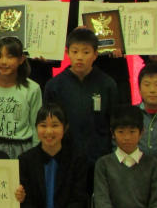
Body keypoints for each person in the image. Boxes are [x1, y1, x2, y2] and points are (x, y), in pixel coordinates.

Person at [43, 28, 118, 179]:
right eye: (75, 51)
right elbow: (48, 124)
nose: (79, 57)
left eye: (86, 52)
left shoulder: (107, 84)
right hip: (65, 158)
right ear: (67, 52)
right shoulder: (54, 86)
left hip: (99, 158)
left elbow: (114, 123)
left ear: (95, 54)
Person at [67, 0, 135, 104]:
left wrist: (124, 48)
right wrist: (76, 36)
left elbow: (133, 37)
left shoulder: (126, 0)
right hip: (85, 74)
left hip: (115, 71)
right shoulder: (76, 1)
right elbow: (67, 40)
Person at [0, 36, 42, 159]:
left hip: (23, 148)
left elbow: (36, 125)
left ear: (21, 59)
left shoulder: (32, 88)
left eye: (10, 57)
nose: (4, 62)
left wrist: (36, 155)